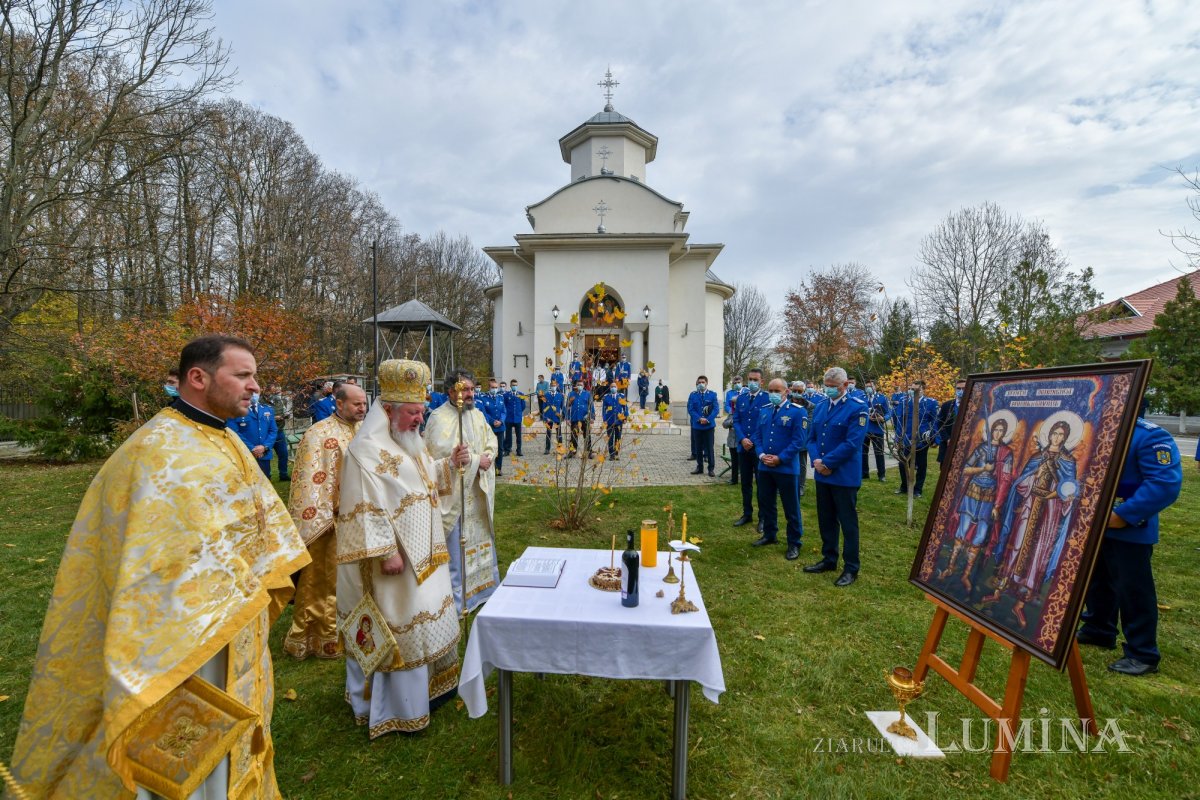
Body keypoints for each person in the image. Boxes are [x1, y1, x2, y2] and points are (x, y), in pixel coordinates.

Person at [8, 335, 309, 798]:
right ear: (198, 377)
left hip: (234, 624)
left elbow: (259, 521)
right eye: (243, 375)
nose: (255, 387)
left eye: (255, 376)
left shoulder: (224, 437)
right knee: (186, 750)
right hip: (181, 637)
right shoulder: (156, 452)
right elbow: (150, 560)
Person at [336, 358, 470, 737]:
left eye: (421, 411)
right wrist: (386, 552)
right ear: (389, 410)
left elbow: (423, 480)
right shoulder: (364, 451)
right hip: (394, 562)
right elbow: (362, 506)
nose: (419, 419)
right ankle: (397, 706)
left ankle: (432, 690)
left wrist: (449, 464)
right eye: (413, 412)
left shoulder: (408, 440)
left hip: (427, 554)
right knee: (402, 626)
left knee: (427, 616)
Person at [284, 382, 368, 660]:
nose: (362, 409)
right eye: (356, 404)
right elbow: (309, 481)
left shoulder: (364, 430)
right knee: (324, 582)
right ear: (339, 403)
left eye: (364, 404)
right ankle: (320, 637)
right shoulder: (319, 434)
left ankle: (358, 631)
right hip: (330, 522)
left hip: (361, 520)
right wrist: (323, 518)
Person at [980, 420, 1078, 628]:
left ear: (1066, 437)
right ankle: (998, 592)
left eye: (1061, 434)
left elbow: (1069, 490)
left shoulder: (1068, 461)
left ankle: (1020, 604)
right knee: (1016, 546)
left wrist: (1055, 493)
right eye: (1055, 433)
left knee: (1037, 553)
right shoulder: (1037, 457)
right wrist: (1034, 477)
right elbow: (1021, 482)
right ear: (1049, 434)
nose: (1057, 437)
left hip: (1049, 511)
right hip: (1029, 505)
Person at [425, 370, 500, 614]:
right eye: (464, 390)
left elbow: (490, 441)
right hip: (457, 497)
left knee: (481, 539)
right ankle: (457, 600)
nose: (470, 394)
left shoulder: (477, 414)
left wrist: (487, 456)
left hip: (478, 491)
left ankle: (483, 591)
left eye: (471, 389)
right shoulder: (438, 418)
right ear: (451, 391)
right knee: (457, 548)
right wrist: (477, 461)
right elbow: (438, 456)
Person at [804, 366, 869, 587]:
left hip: (843, 475)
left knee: (848, 523)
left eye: (833, 386)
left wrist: (828, 463)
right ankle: (829, 559)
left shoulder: (857, 408)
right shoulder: (821, 406)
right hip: (822, 474)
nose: (829, 389)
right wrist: (817, 461)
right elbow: (811, 438)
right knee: (826, 519)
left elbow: (852, 443)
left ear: (845, 385)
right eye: (827, 386)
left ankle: (851, 567)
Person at [937, 416, 1015, 593]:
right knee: (962, 530)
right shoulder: (981, 448)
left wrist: (997, 505)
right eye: (995, 430)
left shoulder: (1006, 453)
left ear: (1004, 433)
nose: (997, 433)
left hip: (989, 497)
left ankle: (966, 574)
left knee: (980, 536)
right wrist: (982, 469)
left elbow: (1006, 480)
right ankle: (950, 566)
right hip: (972, 492)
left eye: (1001, 431)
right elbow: (966, 468)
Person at [750, 378, 809, 560]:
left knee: (791, 507)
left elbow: (799, 441)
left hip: (786, 468)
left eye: (777, 390)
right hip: (765, 466)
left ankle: (794, 542)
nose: (773, 394)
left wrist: (780, 458)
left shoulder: (797, 412)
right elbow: (757, 435)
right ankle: (770, 534)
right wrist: (761, 455)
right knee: (767, 503)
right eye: (770, 390)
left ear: (786, 392)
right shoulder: (765, 410)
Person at [733, 369, 771, 528]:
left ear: (762, 381)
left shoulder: (767, 398)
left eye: (755, 380)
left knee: (762, 485)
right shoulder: (741, 398)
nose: (752, 382)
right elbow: (736, 420)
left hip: (758, 448)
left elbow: (765, 423)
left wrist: (752, 440)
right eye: (750, 379)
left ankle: (763, 518)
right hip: (743, 447)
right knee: (745, 483)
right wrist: (742, 439)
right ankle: (747, 514)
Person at [894, 380, 939, 497]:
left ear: (923, 389)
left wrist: (935, 439)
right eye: (911, 389)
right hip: (906, 438)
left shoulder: (930, 403)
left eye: (915, 389)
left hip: (921, 440)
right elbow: (900, 421)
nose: (912, 391)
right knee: (903, 463)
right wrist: (897, 439)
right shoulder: (904, 402)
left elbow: (935, 422)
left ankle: (917, 490)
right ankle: (904, 486)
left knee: (921, 465)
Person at [227, 389, 279, 478]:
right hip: (245, 454)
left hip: (264, 454)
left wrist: (265, 447)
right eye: (251, 392)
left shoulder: (268, 409)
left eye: (256, 392)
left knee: (265, 480)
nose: (254, 394)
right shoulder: (234, 410)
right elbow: (234, 432)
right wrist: (252, 449)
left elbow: (273, 430)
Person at [688, 375, 719, 476]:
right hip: (697, 426)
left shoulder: (712, 395)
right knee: (698, 448)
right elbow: (690, 409)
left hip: (709, 426)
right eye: (699, 382)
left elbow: (716, 409)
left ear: (706, 383)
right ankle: (699, 467)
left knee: (709, 448)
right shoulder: (693, 395)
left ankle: (711, 468)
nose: (701, 384)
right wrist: (699, 418)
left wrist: (708, 419)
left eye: (703, 382)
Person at [862, 381, 890, 482]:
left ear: (875, 387)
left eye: (870, 386)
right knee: (863, 452)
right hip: (865, 429)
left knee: (879, 453)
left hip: (877, 429)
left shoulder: (882, 398)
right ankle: (864, 473)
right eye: (866, 386)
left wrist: (883, 418)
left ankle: (881, 475)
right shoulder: (862, 398)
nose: (868, 388)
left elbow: (889, 412)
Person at [789, 380, 812, 497]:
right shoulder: (786, 403)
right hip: (787, 440)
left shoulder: (810, 406)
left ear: (804, 392)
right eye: (794, 390)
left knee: (802, 465)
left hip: (802, 440)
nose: (797, 393)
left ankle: (800, 486)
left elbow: (808, 424)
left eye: (799, 391)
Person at [480, 378, 506, 477]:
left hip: (500, 427)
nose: (494, 389)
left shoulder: (500, 397)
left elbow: (504, 411)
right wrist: (492, 421)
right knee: (490, 448)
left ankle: (499, 468)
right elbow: (484, 412)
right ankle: (490, 468)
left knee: (500, 448)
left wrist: (501, 421)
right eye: (493, 387)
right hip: (490, 427)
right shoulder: (484, 398)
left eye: (496, 387)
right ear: (489, 387)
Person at [267, 382, 293, 480]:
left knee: (283, 454)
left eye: (279, 390)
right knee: (267, 455)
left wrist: (287, 415)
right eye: (275, 390)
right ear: (269, 391)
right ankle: (267, 475)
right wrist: (274, 418)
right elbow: (261, 417)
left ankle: (283, 474)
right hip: (268, 433)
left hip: (280, 431)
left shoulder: (280, 401)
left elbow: (286, 412)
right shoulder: (262, 402)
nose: (278, 392)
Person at [937, 379, 966, 465]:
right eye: (958, 388)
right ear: (955, 389)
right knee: (945, 468)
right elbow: (940, 423)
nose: (961, 391)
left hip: (965, 446)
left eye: (964, 388)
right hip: (947, 445)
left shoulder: (972, 405)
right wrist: (947, 438)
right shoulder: (947, 405)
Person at [567, 380, 593, 457]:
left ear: (583, 386)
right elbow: (567, 406)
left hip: (584, 418)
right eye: (578, 384)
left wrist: (592, 416)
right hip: (574, 418)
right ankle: (572, 452)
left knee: (587, 436)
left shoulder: (587, 394)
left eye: (581, 385)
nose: (579, 386)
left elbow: (591, 406)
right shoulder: (571, 394)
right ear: (576, 385)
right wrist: (567, 418)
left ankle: (588, 452)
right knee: (573, 436)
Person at [602, 384, 627, 459]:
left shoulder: (621, 396)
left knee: (618, 438)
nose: (613, 388)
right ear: (610, 388)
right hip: (609, 421)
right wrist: (604, 420)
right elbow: (604, 410)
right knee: (610, 438)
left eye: (614, 387)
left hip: (619, 421)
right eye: (612, 387)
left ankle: (616, 453)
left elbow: (625, 408)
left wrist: (625, 417)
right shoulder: (606, 397)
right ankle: (611, 454)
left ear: (617, 388)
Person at [504, 378, 526, 456]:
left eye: (516, 385)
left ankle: (519, 450)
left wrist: (518, 412)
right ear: (510, 385)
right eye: (513, 385)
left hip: (517, 418)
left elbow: (523, 406)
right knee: (508, 435)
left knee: (518, 435)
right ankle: (507, 450)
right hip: (508, 418)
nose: (514, 386)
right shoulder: (506, 395)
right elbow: (504, 405)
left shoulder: (521, 394)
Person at [543, 379, 565, 453]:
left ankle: (560, 448)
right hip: (549, 417)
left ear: (557, 386)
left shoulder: (560, 395)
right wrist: (545, 418)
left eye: (554, 385)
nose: (553, 387)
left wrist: (563, 416)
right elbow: (544, 407)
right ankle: (547, 449)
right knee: (548, 433)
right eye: (552, 385)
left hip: (557, 417)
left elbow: (563, 407)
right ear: (550, 386)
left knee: (559, 433)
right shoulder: (546, 395)